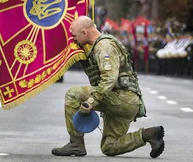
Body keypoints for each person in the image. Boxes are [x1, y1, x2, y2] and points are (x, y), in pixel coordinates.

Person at [52, 16, 165, 158]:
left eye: (75, 36)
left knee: (73, 94)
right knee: (109, 147)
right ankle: (149, 134)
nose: (73, 40)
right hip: (124, 102)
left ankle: (76, 144)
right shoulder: (99, 44)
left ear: (84, 32)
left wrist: (91, 102)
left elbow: (109, 78)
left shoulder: (104, 46)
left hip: (123, 99)